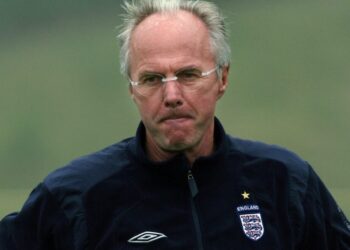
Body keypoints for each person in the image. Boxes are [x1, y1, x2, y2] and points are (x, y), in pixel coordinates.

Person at [1, 0, 349, 249]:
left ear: (222, 78)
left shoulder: (285, 182)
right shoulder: (74, 197)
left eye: (188, 74)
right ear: (132, 89)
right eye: (152, 79)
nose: (171, 95)